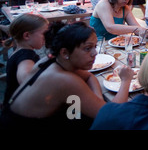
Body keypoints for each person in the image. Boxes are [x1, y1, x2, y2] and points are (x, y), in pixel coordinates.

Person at [0, 22, 135, 130]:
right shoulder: (65, 80)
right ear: (65, 52)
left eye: (95, 46)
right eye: (88, 48)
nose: (95, 53)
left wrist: (97, 100)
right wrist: (125, 81)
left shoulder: (50, 60)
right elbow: (112, 115)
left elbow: (89, 77)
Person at [2, 14, 49, 108]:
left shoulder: (19, 51)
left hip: (11, 104)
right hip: (18, 110)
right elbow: (26, 79)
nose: (46, 37)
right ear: (27, 35)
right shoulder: (26, 56)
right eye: (44, 34)